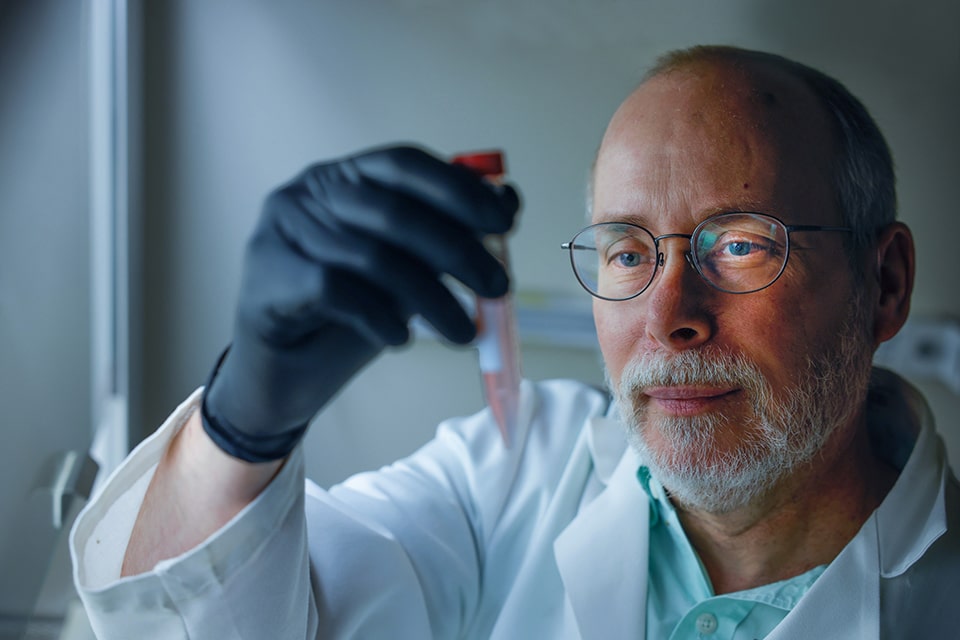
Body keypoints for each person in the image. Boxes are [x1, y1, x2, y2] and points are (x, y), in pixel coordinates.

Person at [70, 45, 958, 639]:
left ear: (883, 285)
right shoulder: (506, 475)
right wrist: (242, 428)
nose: (669, 315)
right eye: (626, 251)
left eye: (740, 245)